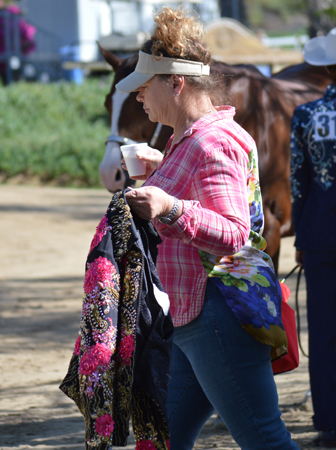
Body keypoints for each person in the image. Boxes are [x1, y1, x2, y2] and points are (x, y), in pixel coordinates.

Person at [118, 7, 299, 450]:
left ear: (175, 82)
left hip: (215, 314)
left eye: (144, 87)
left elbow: (234, 231)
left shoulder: (210, 140)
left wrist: (169, 205)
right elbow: (213, 191)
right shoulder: (193, 136)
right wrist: (164, 170)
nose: (138, 97)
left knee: (264, 439)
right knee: (161, 440)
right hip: (197, 316)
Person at [290, 27, 336, 448]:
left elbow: (299, 184)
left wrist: (301, 237)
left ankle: (329, 421)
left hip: (321, 234)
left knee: (323, 330)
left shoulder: (306, 116)